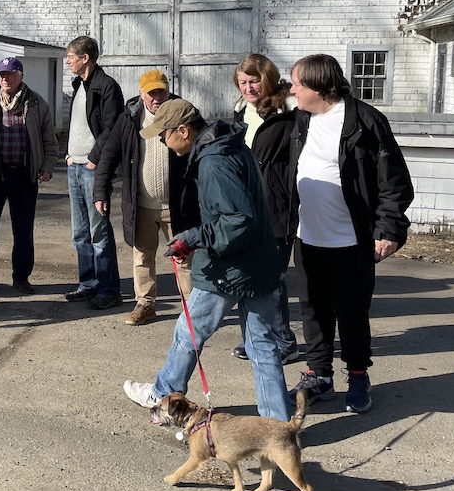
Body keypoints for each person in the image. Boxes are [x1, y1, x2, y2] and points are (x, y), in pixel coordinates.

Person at [122, 98, 292, 422]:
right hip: (258, 263)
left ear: (183, 131)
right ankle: (277, 426)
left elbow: (238, 220)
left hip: (231, 268)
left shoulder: (214, 161)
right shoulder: (229, 147)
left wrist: (194, 237)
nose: (162, 142)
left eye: (164, 135)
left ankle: (162, 395)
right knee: (262, 348)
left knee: (189, 331)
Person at [287, 54, 414, 414]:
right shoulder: (300, 120)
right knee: (313, 311)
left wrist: (387, 229)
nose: (292, 89)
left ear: (318, 86)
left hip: (351, 242)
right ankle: (319, 375)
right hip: (308, 239)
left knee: (352, 314)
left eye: (297, 83)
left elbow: (395, 184)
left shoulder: (366, 121)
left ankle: (357, 375)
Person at [94, 69, 194, 326]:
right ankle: (145, 304)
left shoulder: (183, 113)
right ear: (141, 94)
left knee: (184, 258)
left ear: (168, 90)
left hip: (178, 204)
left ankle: (192, 309)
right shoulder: (129, 118)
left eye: (161, 91)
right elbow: (109, 155)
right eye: (152, 93)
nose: (157, 97)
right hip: (142, 204)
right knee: (142, 256)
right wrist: (100, 191)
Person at [0, 56, 57, 296]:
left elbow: (50, 141)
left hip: (24, 176)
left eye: (10, 74)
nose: (5, 78)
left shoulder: (37, 103)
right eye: (2, 74)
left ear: (21, 76)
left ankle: (22, 278)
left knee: (23, 231)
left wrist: (47, 165)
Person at [230, 54, 301, 363]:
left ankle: (284, 342)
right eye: (243, 82)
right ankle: (255, 338)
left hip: (276, 207)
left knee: (272, 279)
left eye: (254, 81)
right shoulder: (241, 111)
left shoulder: (288, 112)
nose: (249, 88)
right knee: (249, 276)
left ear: (268, 79)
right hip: (245, 204)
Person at [63, 36, 125, 309]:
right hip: (73, 166)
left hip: (92, 170)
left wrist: (93, 159)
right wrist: (69, 155)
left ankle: (109, 290)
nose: (68, 61)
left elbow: (113, 128)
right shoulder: (79, 85)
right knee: (80, 233)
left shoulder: (107, 87)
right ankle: (88, 284)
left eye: (71, 56)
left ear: (85, 58)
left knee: (99, 232)